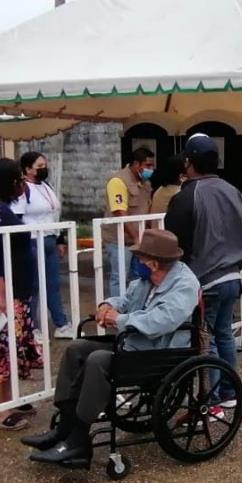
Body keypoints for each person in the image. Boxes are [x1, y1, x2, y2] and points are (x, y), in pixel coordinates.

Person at [21, 229, 200, 466]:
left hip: (161, 352)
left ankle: (78, 441)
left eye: (141, 258)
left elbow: (161, 321)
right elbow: (125, 299)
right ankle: (64, 426)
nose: (137, 262)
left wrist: (120, 319)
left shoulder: (184, 284)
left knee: (98, 360)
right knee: (77, 349)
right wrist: (107, 306)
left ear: (154, 263)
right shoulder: (147, 279)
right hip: (135, 345)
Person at [166, 134, 242, 404]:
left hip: (206, 279)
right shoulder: (231, 190)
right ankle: (229, 392)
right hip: (233, 275)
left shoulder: (188, 195)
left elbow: (175, 242)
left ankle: (211, 400)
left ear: (188, 162)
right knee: (224, 333)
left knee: (207, 339)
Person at [0, 159, 43, 431]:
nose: (22, 184)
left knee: (14, 347)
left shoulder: (7, 209)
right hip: (8, 293)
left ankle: (12, 397)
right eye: (18, 179)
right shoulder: (1, 213)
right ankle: (4, 408)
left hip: (19, 291)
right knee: (4, 349)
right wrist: (3, 295)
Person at [15, 152, 74, 339]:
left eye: (44, 165)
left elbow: (54, 214)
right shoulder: (23, 189)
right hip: (31, 240)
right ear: (27, 169)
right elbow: (17, 216)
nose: (43, 169)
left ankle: (61, 323)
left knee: (53, 284)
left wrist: (60, 239)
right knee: (33, 286)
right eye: (39, 166)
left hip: (49, 239)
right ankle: (32, 328)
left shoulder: (45, 186)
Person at [103, 147, 154, 297]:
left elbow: (147, 210)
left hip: (137, 239)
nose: (151, 169)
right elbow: (120, 213)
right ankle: (116, 312)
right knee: (119, 277)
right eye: (148, 165)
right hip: (119, 239)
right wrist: (135, 237)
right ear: (137, 164)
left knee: (138, 276)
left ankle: (134, 309)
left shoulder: (145, 183)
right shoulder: (118, 181)